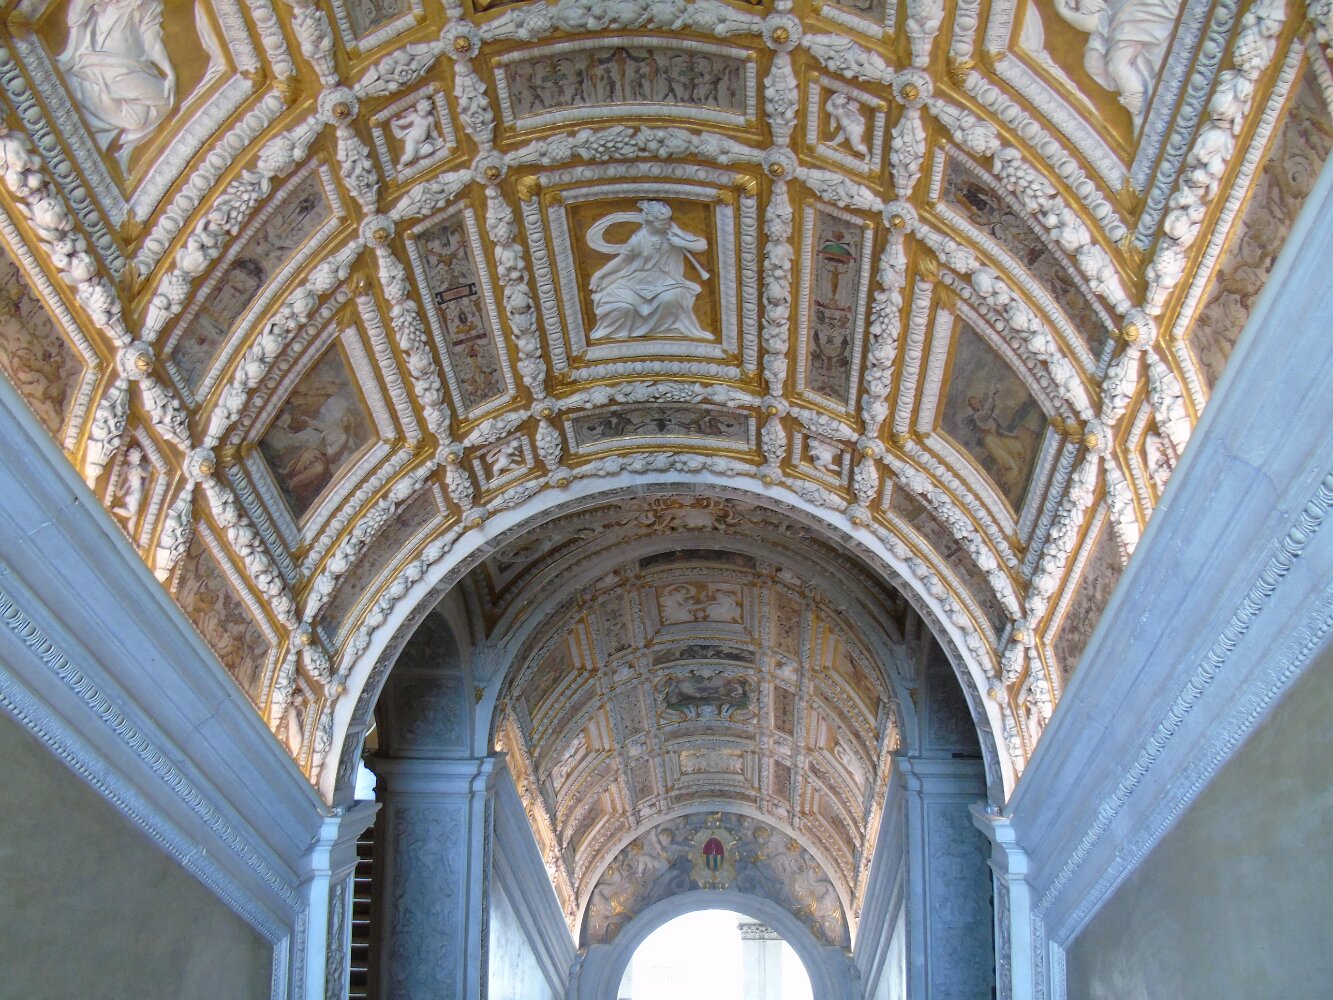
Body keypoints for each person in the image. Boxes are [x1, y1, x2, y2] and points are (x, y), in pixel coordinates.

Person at [587, 201, 711, 341]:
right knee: (623, 306)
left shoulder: (672, 231)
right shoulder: (638, 239)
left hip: (665, 281)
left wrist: (682, 242)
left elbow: (702, 245)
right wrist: (600, 274)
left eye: (667, 220)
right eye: (662, 222)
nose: (666, 224)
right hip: (636, 281)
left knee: (673, 298)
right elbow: (622, 261)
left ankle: (668, 333)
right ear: (650, 221)